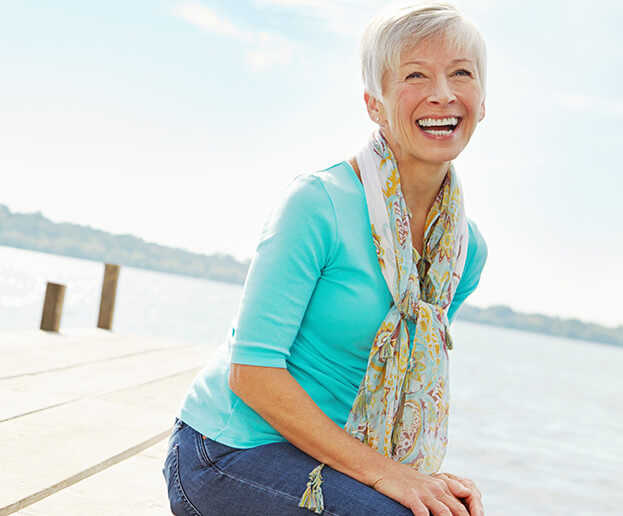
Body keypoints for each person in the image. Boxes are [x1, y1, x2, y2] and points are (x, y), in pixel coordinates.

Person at [163, 2, 489, 515]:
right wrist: (388, 475)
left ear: (482, 100)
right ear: (374, 104)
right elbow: (252, 372)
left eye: (461, 74)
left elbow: (405, 378)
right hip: (227, 450)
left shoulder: (465, 251)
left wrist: (415, 476)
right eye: (415, 74)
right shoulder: (319, 203)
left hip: (336, 457)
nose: (443, 94)